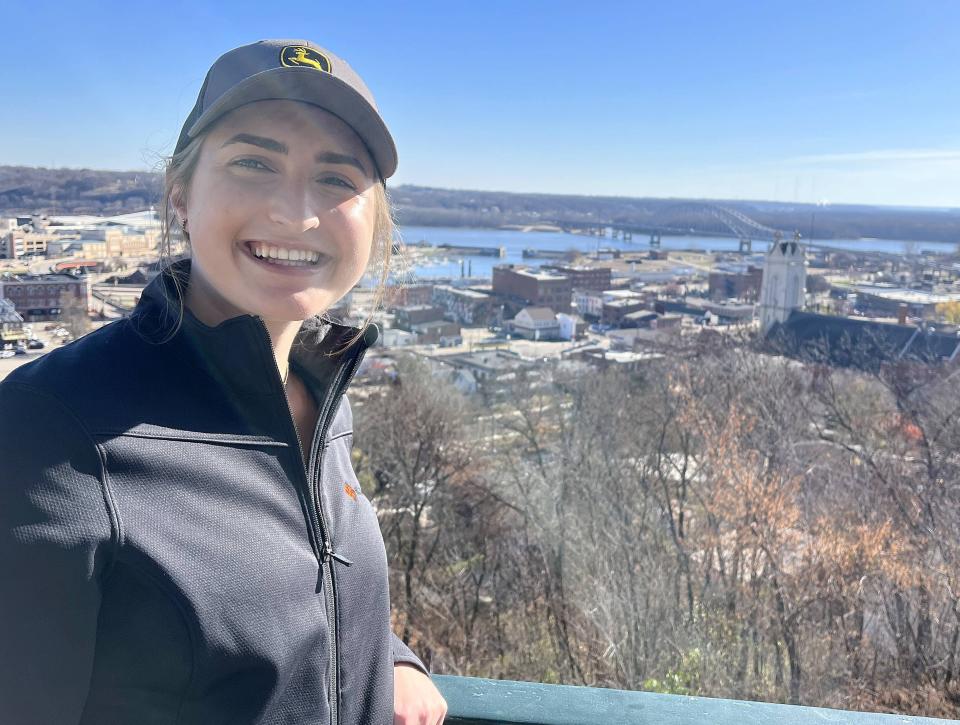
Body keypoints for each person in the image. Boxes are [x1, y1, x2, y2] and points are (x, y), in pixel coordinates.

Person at [0, 39, 447, 725]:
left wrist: (388, 657)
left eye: (336, 177)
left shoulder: (319, 392)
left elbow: (280, 584)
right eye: (253, 162)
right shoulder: (53, 430)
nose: (296, 213)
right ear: (181, 195)